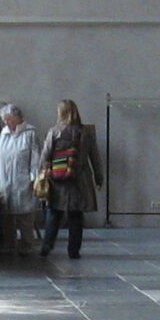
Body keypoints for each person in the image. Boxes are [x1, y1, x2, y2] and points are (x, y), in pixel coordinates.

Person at [38, 99, 105, 258]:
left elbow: (45, 156)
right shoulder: (86, 133)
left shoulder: (54, 131)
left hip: (58, 178)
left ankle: (47, 246)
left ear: (61, 113)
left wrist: (41, 174)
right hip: (80, 178)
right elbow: (94, 157)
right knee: (76, 216)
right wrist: (99, 178)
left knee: (54, 213)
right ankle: (73, 251)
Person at [0, 104, 42, 254]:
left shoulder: (30, 133)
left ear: (18, 118)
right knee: (6, 215)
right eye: (5, 120)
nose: (7, 123)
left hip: (23, 179)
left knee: (25, 216)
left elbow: (36, 158)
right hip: (5, 179)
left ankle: (27, 245)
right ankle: (9, 244)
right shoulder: (4, 133)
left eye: (9, 119)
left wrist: (34, 178)